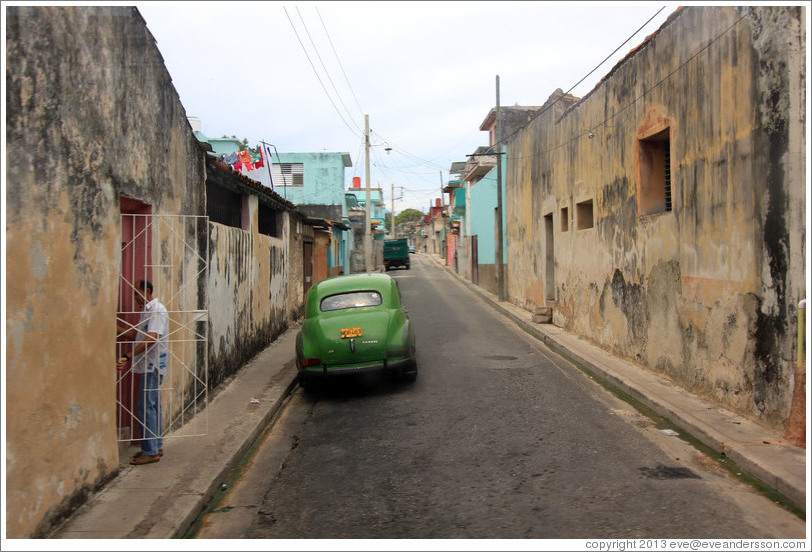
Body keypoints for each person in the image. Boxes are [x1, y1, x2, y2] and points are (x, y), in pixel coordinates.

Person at [117, 280, 169, 465]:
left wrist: (127, 356)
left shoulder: (155, 311)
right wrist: (116, 328)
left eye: (137, 294)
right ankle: (155, 446)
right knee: (151, 406)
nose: (135, 299)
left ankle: (151, 450)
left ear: (146, 291)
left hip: (152, 365)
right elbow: (136, 336)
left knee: (146, 406)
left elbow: (150, 338)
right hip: (149, 364)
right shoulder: (147, 311)